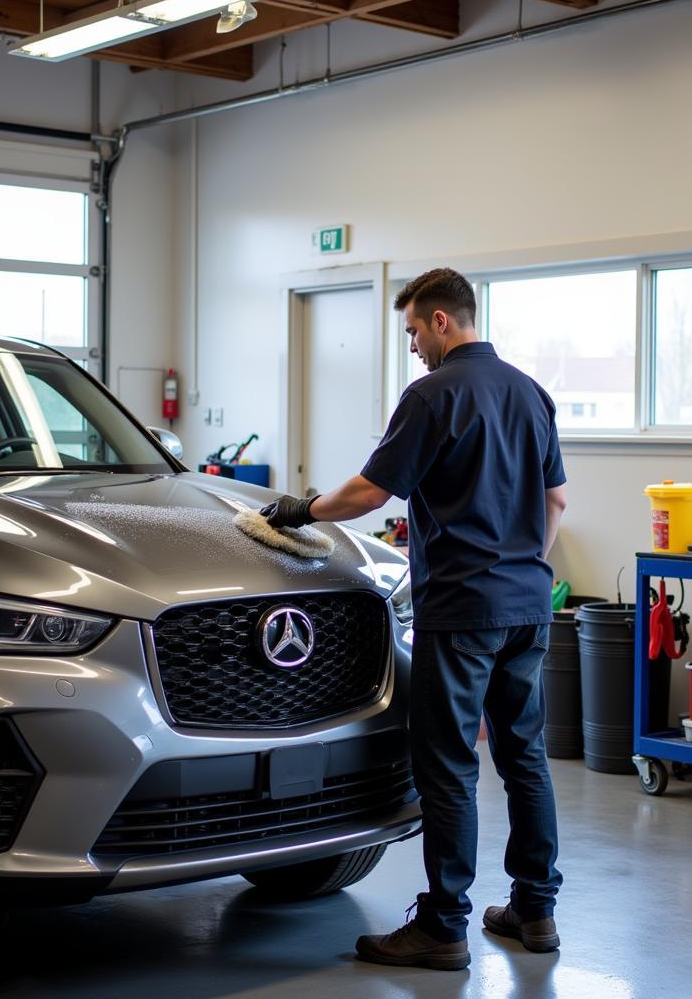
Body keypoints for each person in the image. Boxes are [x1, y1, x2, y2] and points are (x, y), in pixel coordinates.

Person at [261, 267, 568, 972]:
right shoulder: (531, 392)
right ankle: (536, 909)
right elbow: (555, 503)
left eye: (411, 332)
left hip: (461, 610)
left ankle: (443, 925)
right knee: (525, 758)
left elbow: (372, 492)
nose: (411, 349)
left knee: (450, 765)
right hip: (526, 604)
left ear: (440, 322)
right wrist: (520, 572)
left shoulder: (433, 395)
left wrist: (300, 510)